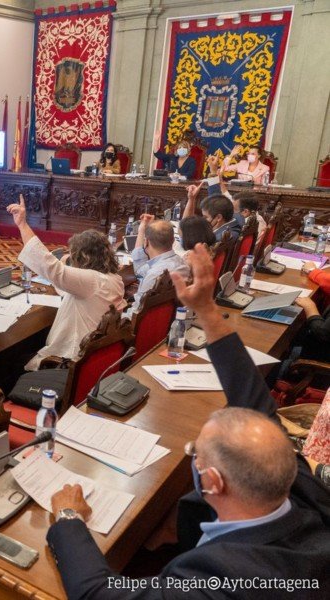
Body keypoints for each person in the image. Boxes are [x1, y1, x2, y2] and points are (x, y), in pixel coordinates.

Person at [45, 244, 330, 599]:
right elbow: (255, 402)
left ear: (211, 482)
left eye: (196, 452)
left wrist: (69, 518)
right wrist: (207, 310)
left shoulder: (216, 580)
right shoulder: (305, 489)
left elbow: (98, 594)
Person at [7, 195, 125, 370]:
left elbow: (50, 267)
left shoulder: (91, 281)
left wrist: (22, 224)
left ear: (82, 258)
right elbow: (67, 287)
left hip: (69, 361)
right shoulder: (115, 278)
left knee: (10, 362)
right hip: (95, 357)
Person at [128, 215, 189, 315]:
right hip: (166, 319)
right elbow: (140, 271)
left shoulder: (154, 275)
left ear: (146, 242)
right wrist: (142, 231)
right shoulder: (182, 262)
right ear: (173, 241)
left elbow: (136, 312)